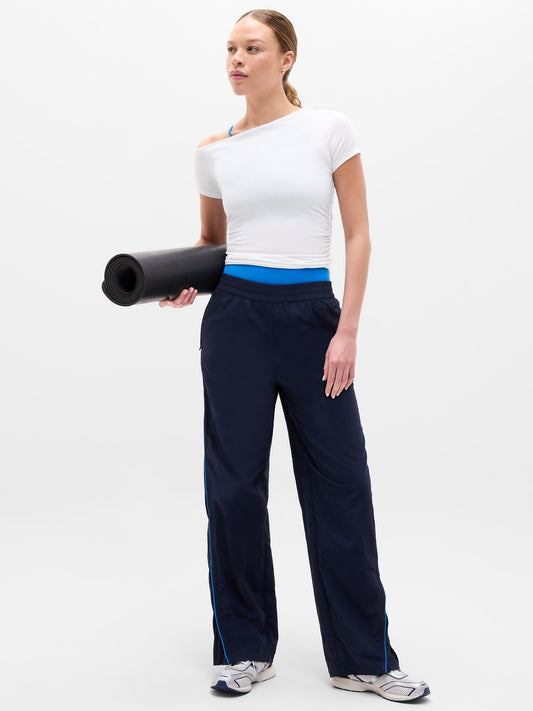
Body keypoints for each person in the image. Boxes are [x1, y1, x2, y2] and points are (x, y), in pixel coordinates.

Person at [159, 8, 430, 703]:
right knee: (233, 488)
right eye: (229, 48)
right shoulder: (212, 151)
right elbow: (213, 244)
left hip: (314, 319)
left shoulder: (328, 129)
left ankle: (363, 659)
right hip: (236, 324)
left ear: (285, 59)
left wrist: (347, 330)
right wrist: (182, 280)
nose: (235, 59)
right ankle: (245, 650)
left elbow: (358, 233)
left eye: (251, 47)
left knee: (342, 485)